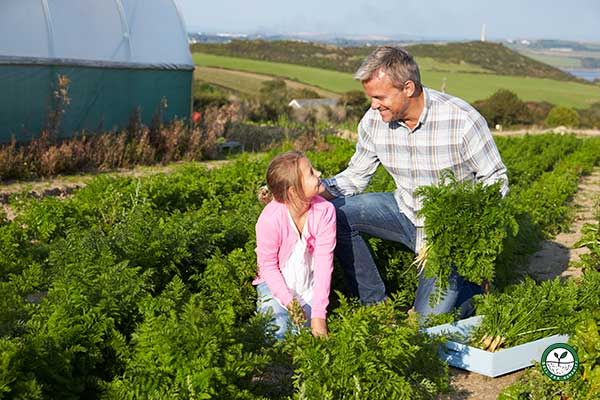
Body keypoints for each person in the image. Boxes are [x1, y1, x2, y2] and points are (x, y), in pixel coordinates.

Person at [319, 46, 508, 318]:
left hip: (447, 233)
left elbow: (495, 178)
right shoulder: (374, 121)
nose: (373, 105)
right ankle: (375, 305)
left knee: (425, 326)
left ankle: (470, 294)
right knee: (334, 214)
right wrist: (304, 192)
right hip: (403, 211)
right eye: (371, 97)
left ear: (407, 87)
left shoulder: (462, 120)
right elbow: (355, 176)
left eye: (380, 97)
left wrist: (464, 226)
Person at [253, 151, 336, 339]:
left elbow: (324, 264)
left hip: (308, 284)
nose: (319, 173)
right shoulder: (270, 219)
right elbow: (267, 266)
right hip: (274, 287)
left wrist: (318, 317)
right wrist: (290, 304)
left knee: (307, 333)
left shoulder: (325, 211)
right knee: (278, 333)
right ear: (293, 191)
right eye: (311, 173)